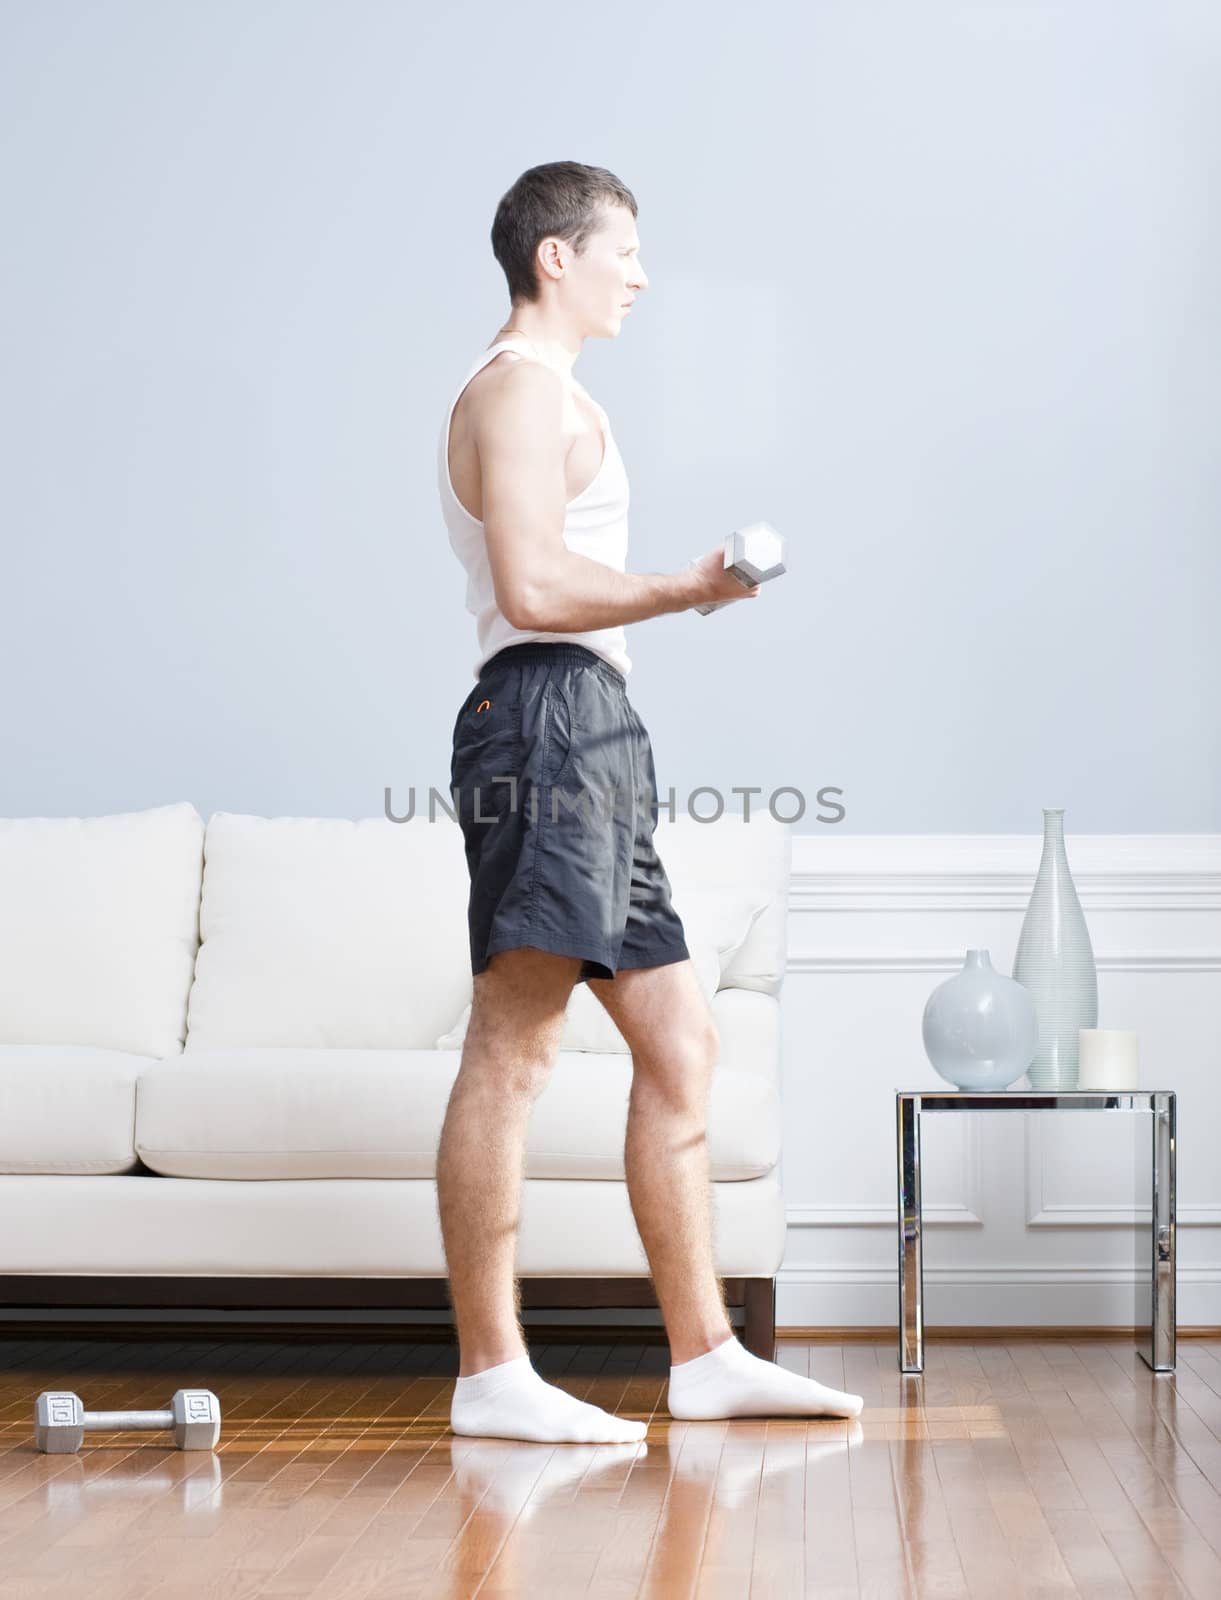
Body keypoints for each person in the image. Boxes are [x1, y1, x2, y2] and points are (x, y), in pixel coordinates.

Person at [436, 161, 864, 1443]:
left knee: (683, 1048)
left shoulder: (561, 396)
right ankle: (491, 1373)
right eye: (622, 248)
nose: (640, 271)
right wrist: (687, 588)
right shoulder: (515, 390)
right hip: (547, 718)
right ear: (554, 256)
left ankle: (706, 1356)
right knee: (514, 1044)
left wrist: (682, 595)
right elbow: (530, 588)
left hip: (597, 730)